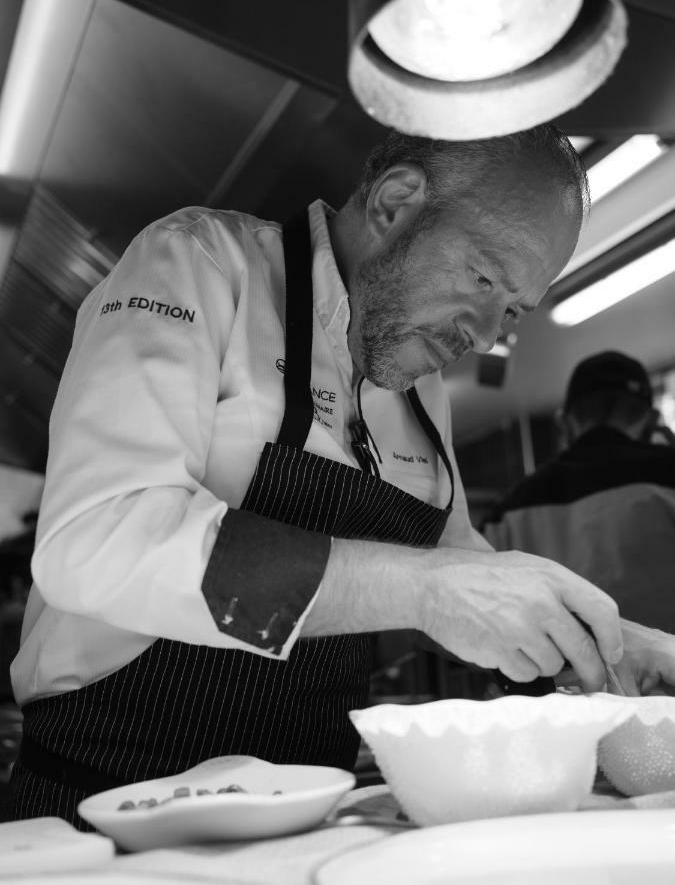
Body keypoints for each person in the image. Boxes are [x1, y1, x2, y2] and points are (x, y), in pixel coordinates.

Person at [5, 125, 675, 828]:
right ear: (394, 203)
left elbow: (451, 564)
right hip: (104, 805)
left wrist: (607, 637)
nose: (482, 334)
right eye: (482, 278)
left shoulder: (420, 384)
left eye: (510, 309)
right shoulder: (198, 261)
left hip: (305, 814)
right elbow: (96, 539)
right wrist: (420, 589)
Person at [484, 350, 675, 634]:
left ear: (565, 423)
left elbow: (487, 613)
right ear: (652, 420)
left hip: (565, 677)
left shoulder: (507, 512)